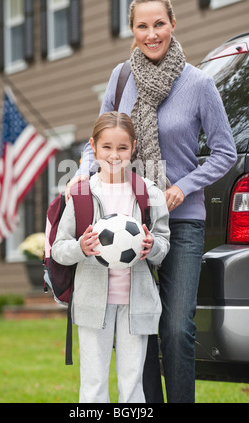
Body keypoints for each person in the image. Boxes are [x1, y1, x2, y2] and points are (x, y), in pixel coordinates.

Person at [67, 0, 237, 403]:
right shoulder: (121, 78)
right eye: (142, 26)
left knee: (177, 327)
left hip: (181, 222)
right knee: (136, 325)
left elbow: (225, 152)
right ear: (133, 30)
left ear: (173, 24)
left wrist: (183, 186)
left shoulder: (198, 84)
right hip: (125, 220)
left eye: (159, 23)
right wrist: (83, 174)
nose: (151, 33)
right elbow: (99, 140)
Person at [52, 111, 170, 403]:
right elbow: (58, 248)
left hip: (136, 305)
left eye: (122, 148)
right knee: (93, 385)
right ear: (93, 146)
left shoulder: (149, 193)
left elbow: (164, 243)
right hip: (93, 304)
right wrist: (81, 247)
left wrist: (150, 246)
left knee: (132, 386)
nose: (114, 155)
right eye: (106, 147)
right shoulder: (81, 194)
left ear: (133, 148)